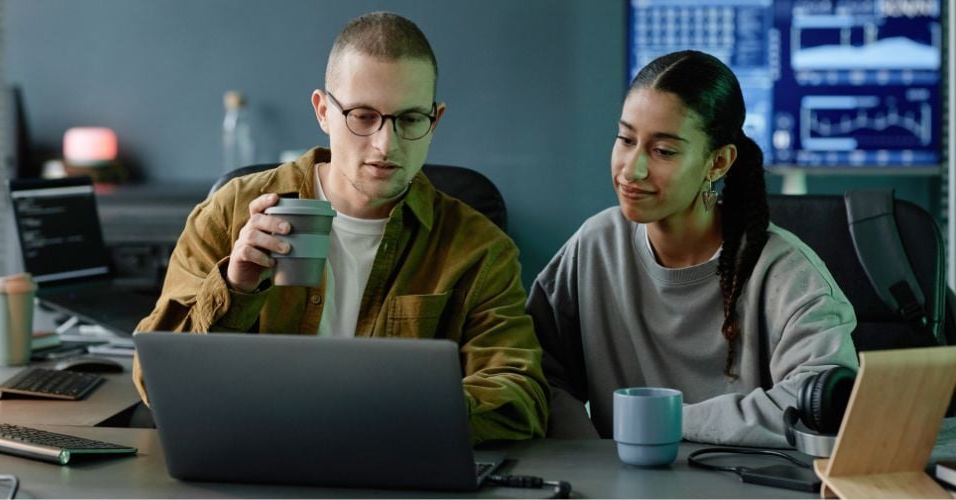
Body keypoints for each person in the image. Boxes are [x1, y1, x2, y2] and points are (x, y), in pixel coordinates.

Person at [132, 12, 548, 444]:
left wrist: (400, 414)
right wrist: (235, 286)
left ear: (435, 120)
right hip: (253, 462)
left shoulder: (478, 249)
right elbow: (155, 385)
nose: (386, 145)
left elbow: (521, 395)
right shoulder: (231, 210)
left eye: (409, 120)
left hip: (396, 470)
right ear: (323, 111)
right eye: (363, 117)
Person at [527, 50, 857, 447]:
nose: (632, 169)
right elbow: (535, 369)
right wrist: (590, 455)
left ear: (717, 163)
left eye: (663, 151)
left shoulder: (787, 272)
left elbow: (825, 401)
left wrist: (660, 424)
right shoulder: (595, 245)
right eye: (625, 139)